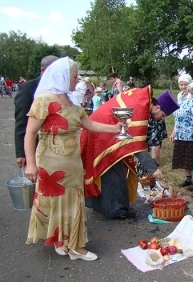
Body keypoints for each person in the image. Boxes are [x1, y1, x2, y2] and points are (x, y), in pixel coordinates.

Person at [24, 57, 124, 261]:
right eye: (74, 76)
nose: (77, 80)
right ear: (61, 76)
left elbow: (89, 125)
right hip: (50, 164)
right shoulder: (44, 100)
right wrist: (31, 164)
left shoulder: (72, 101)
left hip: (72, 163)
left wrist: (114, 128)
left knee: (73, 202)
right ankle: (74, 246)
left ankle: (66, 242)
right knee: (58, 202)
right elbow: (30, 133)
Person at [81, 89, 180, 219]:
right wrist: (153, 169)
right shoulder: (140, 108)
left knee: (113, 172)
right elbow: (136, 145)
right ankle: (116, 210)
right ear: (157, 107)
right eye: (163, 115)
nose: (161, 119)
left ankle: (107, 207)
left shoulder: (143, 101)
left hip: (103, 130)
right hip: (101, 133)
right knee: (113, 173)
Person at [14, 55, 59, 168]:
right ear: (43, 70)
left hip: (57, 148)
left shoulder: (60, 89)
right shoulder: (28, 88)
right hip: (37, 146)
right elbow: (21, 122)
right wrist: (21, 153)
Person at [169, 74, 193, 188]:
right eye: (181, 84)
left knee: (191, 157)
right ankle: (188, 179)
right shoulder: (179, 96)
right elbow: (177, 117)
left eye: (185, 84)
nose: (183, 86)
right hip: (180, 132)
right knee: (184, 157)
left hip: (190, 132)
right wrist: (173, 132)